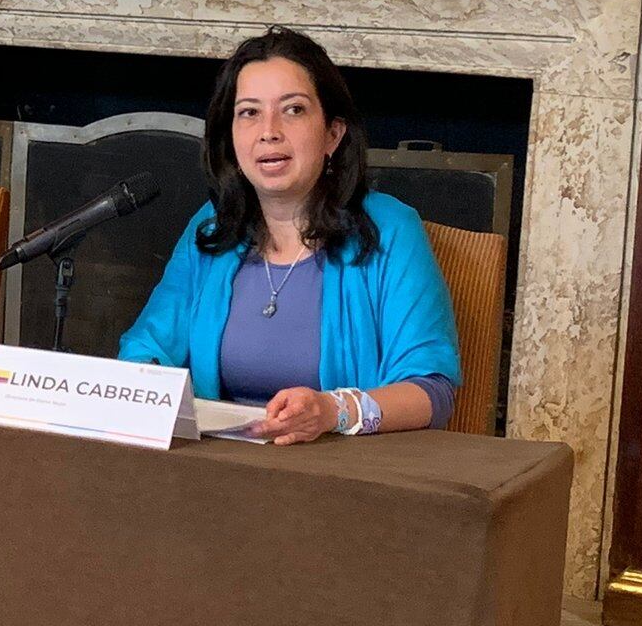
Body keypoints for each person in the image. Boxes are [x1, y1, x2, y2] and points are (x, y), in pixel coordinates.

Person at [117, 26, 460, 444]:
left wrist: (332, 411)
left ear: (333, 133)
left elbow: (432, 393)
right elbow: (144, 350)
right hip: (217, 468)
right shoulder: (211, 227)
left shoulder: (391, 230)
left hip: (339, 476)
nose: (269, 131)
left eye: (293, 110)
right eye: (249, 112)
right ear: (231, 136)